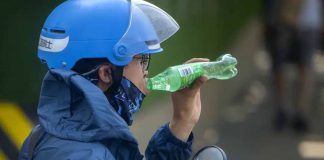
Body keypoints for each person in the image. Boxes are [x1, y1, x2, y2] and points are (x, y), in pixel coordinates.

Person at [19, 0, 209, 159]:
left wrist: (182, 121)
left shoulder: (61, 135)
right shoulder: (84, 154)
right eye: (142, 60)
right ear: (106, 74)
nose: (146, 73)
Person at [264, 0, 323, 133]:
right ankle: (281, 109)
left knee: (306, 68)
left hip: (310, 22)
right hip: (284, 19)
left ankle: (300, 112)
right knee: (279, 67)